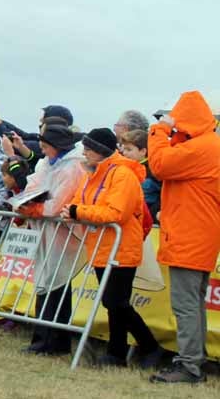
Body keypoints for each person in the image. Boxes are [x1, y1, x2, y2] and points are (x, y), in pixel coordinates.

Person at [63, 127, 161, 368]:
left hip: (121, 248)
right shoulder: (95, 174)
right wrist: (74, 210)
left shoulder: (122, 175)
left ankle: (148, 346)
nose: (84, 151)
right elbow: (78, 200)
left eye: (88, 147)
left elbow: (116, 212)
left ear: (100, 151)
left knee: (116, 302)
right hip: (102, 246)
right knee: (113, 303)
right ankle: (117, 353)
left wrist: (78, 212)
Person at [147, 91, 220, 384]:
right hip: (198, 235)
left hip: (191, 236)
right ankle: (194, 360)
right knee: (193, 303)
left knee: (186, 304)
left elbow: (161, 165)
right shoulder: (208, 144)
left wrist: (159, 130)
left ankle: (189, 365)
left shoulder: (204, 147)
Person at [14, 124, 86, 356]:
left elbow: (58, 204)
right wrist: (25, 202)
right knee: (46, 284)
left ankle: (51, 341)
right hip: (46, 231)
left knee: (56, 285)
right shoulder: (46, 163)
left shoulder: (74, 166)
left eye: (45, 147)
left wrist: (34, 209)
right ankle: (46, 339)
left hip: (63, 233)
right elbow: (33, 185)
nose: (42, 152)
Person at [119, 130, 159, 223]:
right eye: (124, 149)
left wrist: (152, 215)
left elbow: (162, 198)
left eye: (129, 149)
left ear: (143, 151)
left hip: (145, 221)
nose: (124, 153)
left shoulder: (154, 172)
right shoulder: (121, 168)